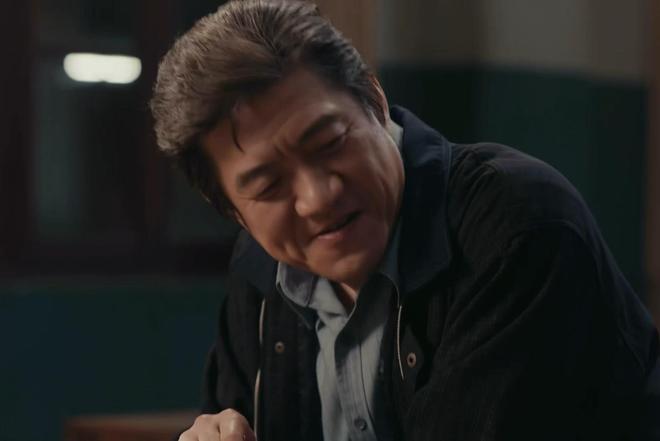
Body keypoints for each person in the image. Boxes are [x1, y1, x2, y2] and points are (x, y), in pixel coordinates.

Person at [150, 1, 660, 440]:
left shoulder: (517, 226)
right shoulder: (260, 268)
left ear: (374, 100)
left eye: (329, 142)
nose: (318, 197)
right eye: (268, 187)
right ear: (233, 210)